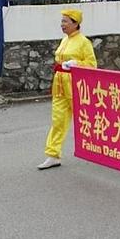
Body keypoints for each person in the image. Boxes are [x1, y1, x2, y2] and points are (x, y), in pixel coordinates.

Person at [37, 9, 97, 170]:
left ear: (75, 23)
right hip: (60, 85)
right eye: (62, 21)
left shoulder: (83, 42)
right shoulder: (64, 40)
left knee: (87, 118)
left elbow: (92, 64)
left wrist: (77, 64)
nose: (62, 24)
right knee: (58, 120)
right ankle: (53, 154)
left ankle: (104, 149)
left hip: (76, 85)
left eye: (65, 21)